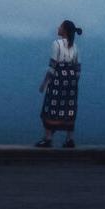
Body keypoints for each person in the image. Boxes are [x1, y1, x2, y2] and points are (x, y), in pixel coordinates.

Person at [35, 19, 82, 148]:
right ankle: (69, 139)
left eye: (60, 26)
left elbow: (52, 66)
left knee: (51, 107)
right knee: (69, 108)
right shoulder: (75, 47)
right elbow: (78, 67)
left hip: (58, 80)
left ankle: (48, 138)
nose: (58, 28)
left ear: (64, 30)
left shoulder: (56, 44)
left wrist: (44, 83)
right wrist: (74, 81)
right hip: (71, 81)